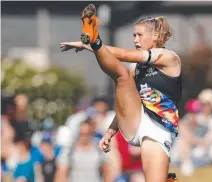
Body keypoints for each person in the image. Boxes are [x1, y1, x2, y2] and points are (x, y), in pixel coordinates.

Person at [60, 4, 182, 182]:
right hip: (135, 121)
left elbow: (124, 54)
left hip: (159, 129)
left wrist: (90, 46)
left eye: (140, 35)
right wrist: (110, 132)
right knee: (122, 76)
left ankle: (95, 40)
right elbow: (126, 102)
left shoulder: (169, 57)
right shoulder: (136, 68)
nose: (135, 40)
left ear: (155, 36)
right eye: (134, 35)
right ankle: (95, 38)